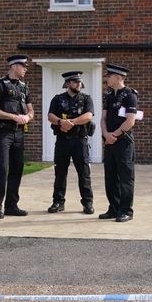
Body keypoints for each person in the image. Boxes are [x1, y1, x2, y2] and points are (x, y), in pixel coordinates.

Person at [0, 54, 34, 221]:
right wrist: (13, 117)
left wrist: (28, 117)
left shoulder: (24, 87)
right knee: (2, 169)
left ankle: (11, 206)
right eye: (23, 66)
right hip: (3, 133)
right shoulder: (0, 85)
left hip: (19, 134)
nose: (25, 69)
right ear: (14, 66)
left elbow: (31, 110)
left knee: (17, 169)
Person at [46, 71, 95, 215]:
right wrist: (61, 122)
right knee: (60, 173)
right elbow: (50, 116)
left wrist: (71, 122)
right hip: (62, 141)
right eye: (75, 81)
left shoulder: (86, 99)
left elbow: (88, 115)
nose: (79, 84)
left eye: (80, 81)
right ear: (68, 83)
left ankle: (87, 203)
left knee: (84, 173)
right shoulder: (57, 99)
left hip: (80, 140)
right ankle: (58, 202)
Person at [100, 63, 138, 223]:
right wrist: (106, 135)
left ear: (118, 77)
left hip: (123, 142)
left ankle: (126, 210)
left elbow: (130, 121)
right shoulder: (108, 96)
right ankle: (113, 208)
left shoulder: (130, 95)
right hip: (109, 142)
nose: (107, 78)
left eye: (109, 76)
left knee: (125, 178)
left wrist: (113, 135)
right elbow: (103, 118)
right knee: (110, 177)